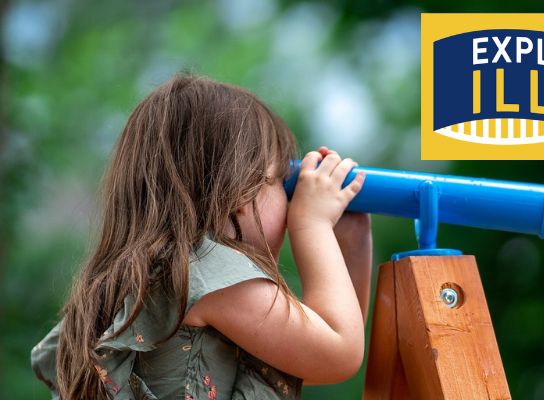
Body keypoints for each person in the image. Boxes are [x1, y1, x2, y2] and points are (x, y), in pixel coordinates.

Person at [30, 73, 372, 400]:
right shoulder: (207, 273)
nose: (290, 203)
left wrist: (351, 240)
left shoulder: (150, 277)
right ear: (242, 191)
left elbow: (306, 358)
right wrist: (313, 225)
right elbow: (337, 352)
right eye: (281, 182)